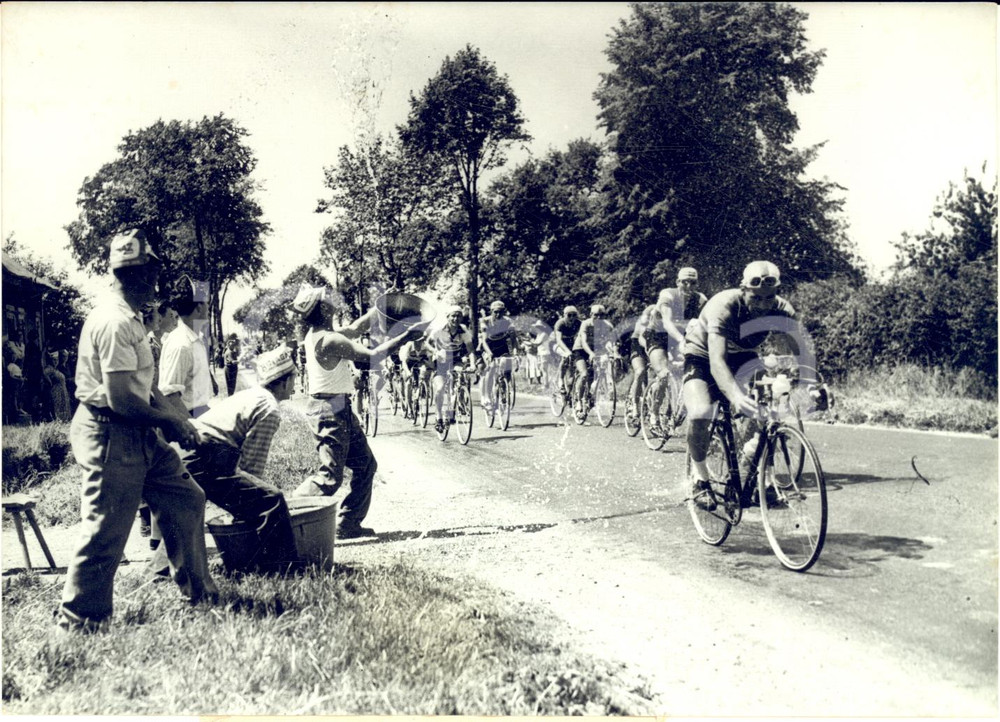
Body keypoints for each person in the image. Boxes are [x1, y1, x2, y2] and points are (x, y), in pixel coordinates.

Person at [57, 229, 216, 633]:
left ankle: (200, 596)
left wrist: (176, 418)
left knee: (186, 498)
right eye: (152, 273)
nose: (156, 282)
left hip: (137, 431)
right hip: (110, 432)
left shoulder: (131, 318)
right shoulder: (113, 321)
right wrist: (168, 421)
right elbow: (121, 399)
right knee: (107, 528)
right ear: (138, 275)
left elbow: (145, 387)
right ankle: (79, 621)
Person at [289, 284, 428, 538]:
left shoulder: (320, 335)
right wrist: (405, 337)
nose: (333, 300)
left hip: (336, 408)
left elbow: (355, 328)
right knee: (330, 477)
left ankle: (348, 524)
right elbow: (373, 356)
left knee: (365, 465)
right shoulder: (330, 340)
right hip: (330, 411)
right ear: (323, 309)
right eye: (328, 299)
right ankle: (284, 513)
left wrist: (383, 305)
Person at [148, 344, 301, 575]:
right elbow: (251, 467)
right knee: (271, 501)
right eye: (294, 378)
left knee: (188, 512)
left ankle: (158, 572)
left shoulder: (253, 395)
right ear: (285, 381)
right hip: (204, 453)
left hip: (187, 450)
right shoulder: (270, 409)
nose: (295, 384)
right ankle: (284, 571)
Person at [683, 261, 799, 510]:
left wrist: (813, 383)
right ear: (743, 289)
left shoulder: (782, 310)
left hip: (744, 356)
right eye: (756, 298)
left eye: (769, 298)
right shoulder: (723, 305)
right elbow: (717, 361)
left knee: (768, 409)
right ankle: (700, 480)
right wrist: (736, 396)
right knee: (701, 412)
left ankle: (756, 476)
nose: (763, 305)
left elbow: (798, 349)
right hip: (702, 355)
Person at [645, 267, 708, 433]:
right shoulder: (668, 295)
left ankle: (674, 410)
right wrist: (681, 340)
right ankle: (653, 414)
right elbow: (667, 322)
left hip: (679, 337)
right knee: (664, 374)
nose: (689, 286)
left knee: (691, 371)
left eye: (693, 283)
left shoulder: (701, 299)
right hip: (658, 336)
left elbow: (706, 324)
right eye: (685, 282)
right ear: (678, 282)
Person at [159, 280, 214, 418]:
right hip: (189, 416)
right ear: (199, 308)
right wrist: (193, 426)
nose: (209, 307)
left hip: (200, 412)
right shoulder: (181, 344)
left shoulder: (195, 339)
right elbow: (170, 395)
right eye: (206, 303)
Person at [428, 305, 477, 434]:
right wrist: (436, 351)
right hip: (441, 362)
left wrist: (473, 365)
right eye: (453, 316)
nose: (456, 319)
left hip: (455, 360)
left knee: (460, 379)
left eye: (458, 316)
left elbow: (471, 351)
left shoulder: (464, 332)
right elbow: (427, 343)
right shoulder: (439, 330)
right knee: (440, 388)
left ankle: (454, 409)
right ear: (448, 317)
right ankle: (438, 417)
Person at [571, 304, 615, 413]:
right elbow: (584, 341)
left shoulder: (607, 325)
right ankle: (578, 400)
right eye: (596, 315)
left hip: (596, 350)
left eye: (601, 315)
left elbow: (610, 341)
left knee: (594, 375)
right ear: (591, 314)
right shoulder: (586, 324)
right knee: (584, 374)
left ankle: (590, 395)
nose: (598, 318)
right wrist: (590, 353)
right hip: (581, 349)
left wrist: (613, 352)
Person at [478, 300, 520, 413]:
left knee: (507, 370)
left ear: (504, 311)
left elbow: (514, 340)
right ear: (491, 311)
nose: (498, 314)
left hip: (502, 347)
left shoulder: (508, 322)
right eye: (495, 312)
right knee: (491, 368)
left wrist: (515, 353)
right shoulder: (485, 321)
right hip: (488, 347)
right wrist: (489, 353)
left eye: (501, 312)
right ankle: (487, 397)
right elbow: (484, 341)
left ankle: (503, 391)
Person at [552, 305, 582, 395]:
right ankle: (560, 380)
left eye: (574, 315)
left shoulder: (578, 323)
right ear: (564, 315)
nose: (572, 317)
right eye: (569, 315)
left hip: (571, 344)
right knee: (565, 356)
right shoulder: (560, 323)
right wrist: (567, 352)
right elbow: (559, 340)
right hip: (558, 344)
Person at [43, 349, 72, 422]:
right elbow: (44, 373)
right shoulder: (50, 368)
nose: (56, 362)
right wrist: (49, 382)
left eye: (57, 360)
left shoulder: (55, 369)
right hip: (56, 392)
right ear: (50, 360)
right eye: (54, 360)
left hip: (62, 392)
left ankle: (63, 420)